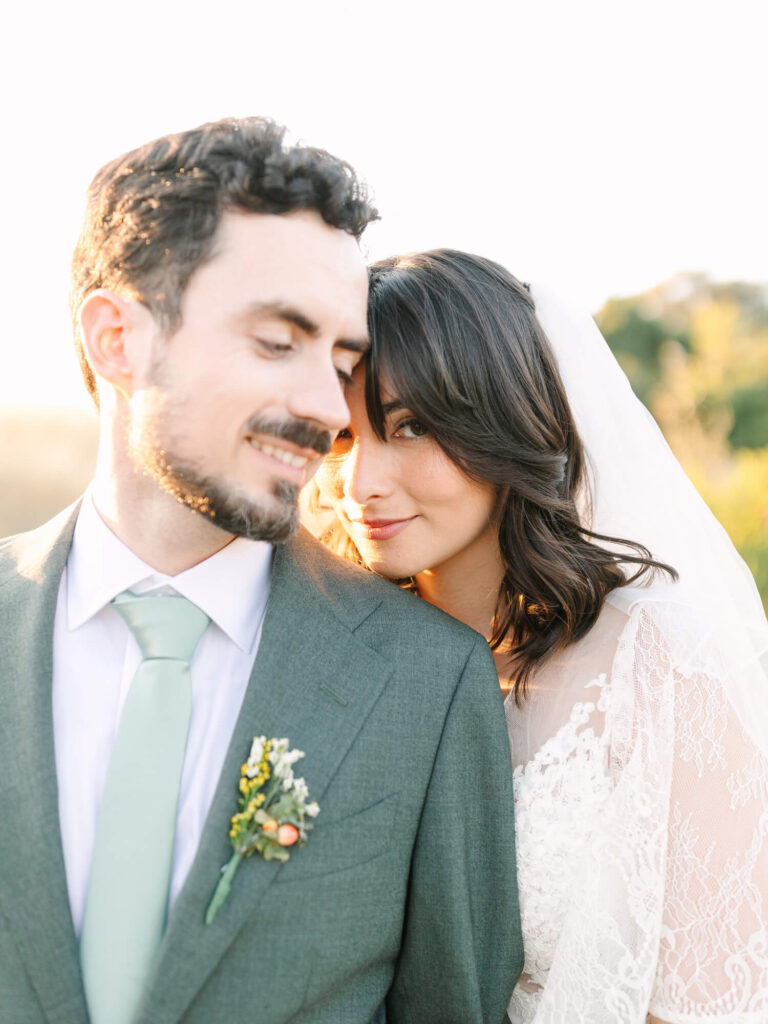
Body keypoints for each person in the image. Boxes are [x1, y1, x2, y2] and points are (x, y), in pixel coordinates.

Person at [0, 126, 523, 1024]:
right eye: (279, 343)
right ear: (117, 337)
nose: (328, 407)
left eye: (343, 362)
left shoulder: (428, 689)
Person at [314, 248, 768, 1023]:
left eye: (410, 426)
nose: (362, 486)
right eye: (341, 438)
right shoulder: (327, 657)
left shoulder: (653, 663)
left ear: (501, 423)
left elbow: (715, 999)